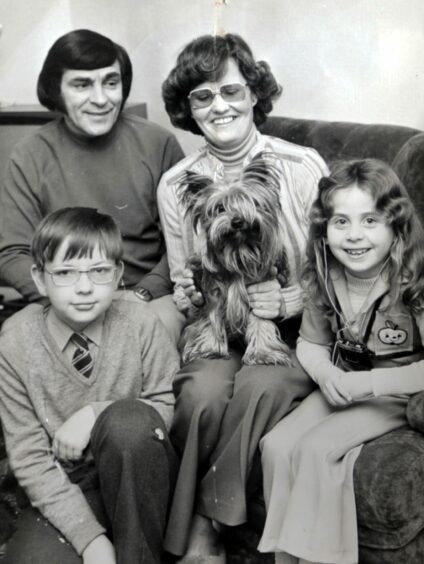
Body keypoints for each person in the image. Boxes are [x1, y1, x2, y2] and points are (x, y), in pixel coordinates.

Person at [158, 33, 328, 561]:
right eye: (202, 97)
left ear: (255, 93)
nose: (219, 106)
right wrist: (185, 291)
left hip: (297, 328)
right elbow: (181, 276)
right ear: (188, 111)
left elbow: (335, 269)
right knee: (201, 394)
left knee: (260, 388)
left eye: (230, 90)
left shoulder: (300, 166)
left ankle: (207, 523)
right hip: (215, 318)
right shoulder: (177, 184)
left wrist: (292, 301)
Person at [258, 158, 424, 564]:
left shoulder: (414, 278)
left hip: (395, 391)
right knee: (276, 445)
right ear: (323, 228)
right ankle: (285, 558)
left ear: (396, 227)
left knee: (319, 449)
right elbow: (310, 344)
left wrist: (369, 385)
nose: (354, 236)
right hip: (342, 381)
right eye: (340, 223)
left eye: (370, 221)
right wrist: (327, 373)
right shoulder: (323, 273)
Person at [0, 207, 179, 564]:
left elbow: (165, 407)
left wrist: (95, 414)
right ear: (39, 278)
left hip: (140, 475)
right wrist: (91, 542)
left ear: (118, 276)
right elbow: (31, 458)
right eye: (65, 273)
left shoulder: (141, 324)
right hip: (68, 486)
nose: (84, 288)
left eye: (98, 271)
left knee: (130, 421)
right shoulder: (14, 344)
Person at [0, 29, 185, 340]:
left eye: (110, 83)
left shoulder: (159, 143)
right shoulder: (30, 154)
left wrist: (144, 293)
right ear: (56, 90)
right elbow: (12, 252)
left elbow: (186, 242)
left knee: (148, 339)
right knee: (14, 337)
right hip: (62, 298)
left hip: (146, 295)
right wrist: (64, 300)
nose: (100, 99)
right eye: (82, 85)